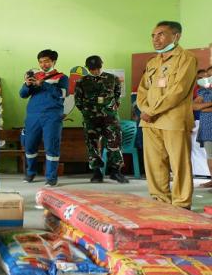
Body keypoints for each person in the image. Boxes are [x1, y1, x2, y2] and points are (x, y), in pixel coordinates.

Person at [136, 21, 197, 210]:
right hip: (149, 122)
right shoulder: (153, 61)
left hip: (173, 120)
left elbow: (178, 90)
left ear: (176, 36)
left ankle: (181, 204)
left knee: (179, 165)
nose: (156, 39)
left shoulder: (186, 58)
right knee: (154, 164)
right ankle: (160, 201)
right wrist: (144, 109)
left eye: (161, 34)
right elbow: (142, 89)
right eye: (153, 35)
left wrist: (151, 111)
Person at [75, 55, 128, 183]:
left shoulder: (113, 78)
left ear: (101, 65)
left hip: (110, 117)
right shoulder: (82, 82)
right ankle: (97, 172)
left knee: (115, 142)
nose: (95, 71)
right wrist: (88, 112)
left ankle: (115, 171)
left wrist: (111, 109)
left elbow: (117, 96)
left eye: (97, 68)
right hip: (91, 118)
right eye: (92, 69)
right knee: (92, 144)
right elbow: (78, 101)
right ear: (88, 68)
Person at [19, 49, 68, 187]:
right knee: (29, 145)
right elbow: (22, 95)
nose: (43, 64)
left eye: (46, 61)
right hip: (33, 116)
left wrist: (44, 84)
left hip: (52, 116)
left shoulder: (61, 77)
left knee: (51, 146)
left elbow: (62, 94)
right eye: (40, 62)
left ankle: (51, 177)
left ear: (53, 61)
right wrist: (27, 85)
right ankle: (30, 173)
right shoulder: (36, 76)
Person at [193, 69, 212, 186]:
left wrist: (203, 108)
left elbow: (199, 107)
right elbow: (194, 106)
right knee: (210, 154)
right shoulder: (202, 91)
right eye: (208, 76)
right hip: (207, 126)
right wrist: (209, 104)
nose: (208, 78)